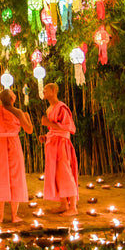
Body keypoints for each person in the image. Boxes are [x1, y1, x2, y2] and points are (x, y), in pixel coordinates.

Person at [0, 89, 33, 223]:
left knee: (1, 178)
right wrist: (27, 118)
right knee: (16, 177)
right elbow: (29, 130)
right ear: (12, 99)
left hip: (0, 143)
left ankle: (0, 216)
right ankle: (14, 216)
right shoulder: (18, 112)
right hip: (14, 143)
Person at [39, 82, 79, 215]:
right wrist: (46, 136)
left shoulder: (62, 107)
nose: (43, 91)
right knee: (57, 174)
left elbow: (69, 128)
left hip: (62, 143)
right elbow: (54, 128)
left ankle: (73, 207)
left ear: (54, 90)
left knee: (65, 173)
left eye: (46, 89)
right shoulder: (49, 109)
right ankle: (63, 204)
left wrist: (48, 124)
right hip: (52, 143)